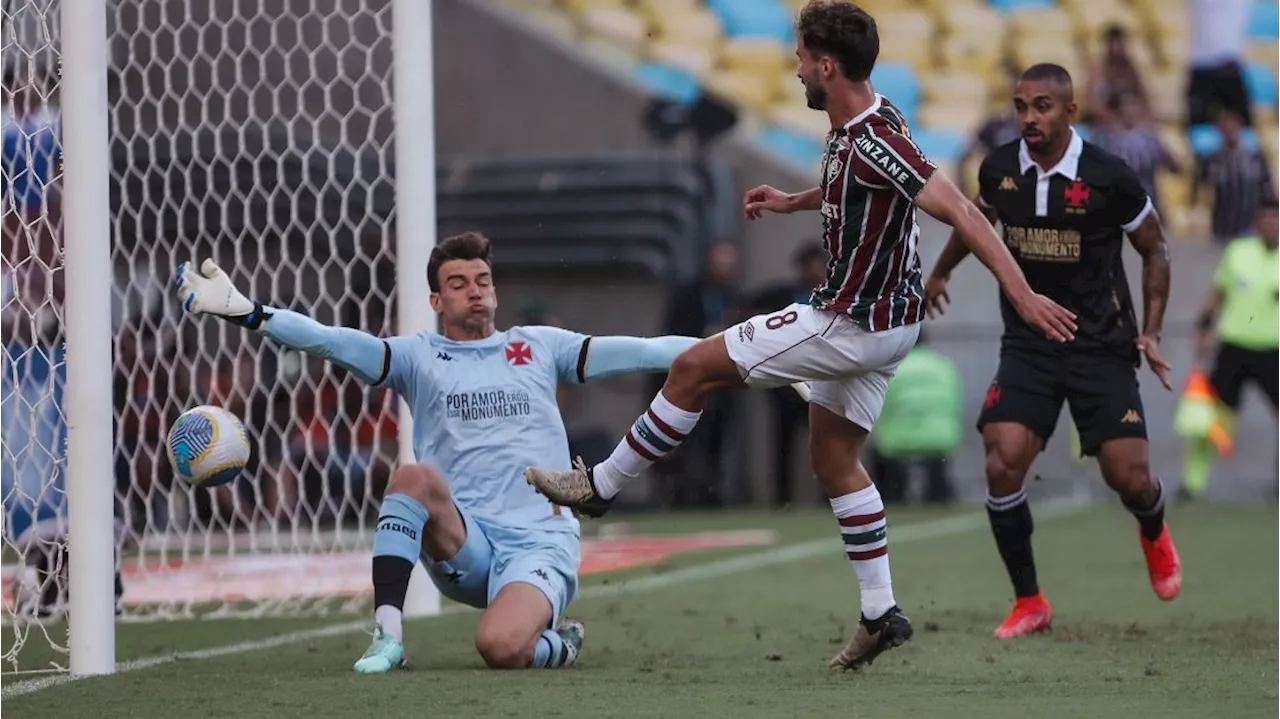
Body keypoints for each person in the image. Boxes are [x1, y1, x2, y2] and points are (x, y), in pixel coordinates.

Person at [524, 0, 1075, 672]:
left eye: (801, 59)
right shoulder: (861, 126)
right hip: (891, 328)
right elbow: (854, 189)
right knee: (834, 456)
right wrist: (793, 202)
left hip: (848, 324)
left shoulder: (878, 139)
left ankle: (602, 486)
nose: (794, 71)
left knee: (694, 366)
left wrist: (1021, 292)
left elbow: (959, 208)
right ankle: (879, 611)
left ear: (826, 63)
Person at [174, 231, 700, 673]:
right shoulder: (416, 357)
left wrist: (743, 350)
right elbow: (329, 340)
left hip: (539, 543)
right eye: (458, 284)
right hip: (463, 542)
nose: (475, 292)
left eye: (483, 281)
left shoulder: (541, 346)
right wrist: (249, 313)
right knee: (412, 477)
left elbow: (647, 350)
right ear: (435, 301)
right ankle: (388, 638)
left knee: (500, 648)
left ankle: (557, 643)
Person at [924, 63, 1181, 640]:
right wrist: (938, 274)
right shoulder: (998, 170)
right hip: (1029, 345)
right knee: (1001, 460)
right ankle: (1030, 601)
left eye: (1041, 106)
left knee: (1130, 478)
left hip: (1101, 344)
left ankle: (1153, 527)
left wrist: (1154, 331)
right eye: (1020, 106)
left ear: (1069, 110)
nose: (1028, 118)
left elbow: (1155, 249)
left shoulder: (1109, 176)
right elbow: (975, 225)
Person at [1183, 196, 1280, 499]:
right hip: (1234, 347)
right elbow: (1217, 293)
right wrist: (1203, 327)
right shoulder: (1239, 252)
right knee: (1208, 417)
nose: (1270, 225)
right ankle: (1193, 484)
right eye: (1265, 219)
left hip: (1273, 351)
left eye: (1276, 219)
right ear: (1256, 223)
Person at [868, 329, 962, 505]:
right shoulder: (944, 366)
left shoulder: (891, 368)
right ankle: (937, 495)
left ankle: (892, 497)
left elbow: (879, 406)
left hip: (897, 441)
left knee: (884, 469)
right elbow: (954, 404)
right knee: (936, 472)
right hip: (939, 438)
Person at [1191, 109, 1274, 245]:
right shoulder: (1211, 160)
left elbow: (1267, 190)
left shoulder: (1255, 159)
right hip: (1222, 228)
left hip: (1250, 227)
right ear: (1219, 131)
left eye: (1232, 127)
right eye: (1225, 127)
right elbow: (1199, 188)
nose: (1229, 131)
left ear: (1240, 128)